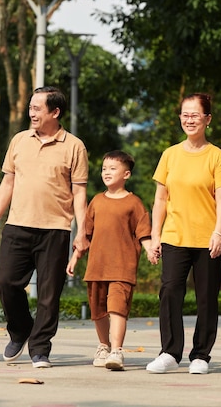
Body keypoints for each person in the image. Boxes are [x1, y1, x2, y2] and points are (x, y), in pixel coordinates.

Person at [0, 86, 89, 369]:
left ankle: (40, 348)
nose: (31, 113)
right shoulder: (19, 141)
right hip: (17, 225)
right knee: (5, 282)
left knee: (48, 293)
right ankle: (20, 330)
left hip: (56, 229)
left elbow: (79, 192)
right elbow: (8, 182)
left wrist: (82, 230)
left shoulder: (74, 146)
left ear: (55, 112)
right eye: (30, 107)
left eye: (37, 108)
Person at [145, 93, 221, 375]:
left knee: (207, 297)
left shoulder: (217, 157)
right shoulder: (169, 155)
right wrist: (155, 235)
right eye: (185, 114)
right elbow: (160, 199)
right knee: (170, 291)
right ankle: (170, 352)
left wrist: (219, 232)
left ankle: (201, 355)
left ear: (207, 119)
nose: (189, 119)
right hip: (174, 237)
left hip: (208, 240)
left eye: (195, 114)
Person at [66, 150, 154, 371]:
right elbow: (86, 234)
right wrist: (75, 257)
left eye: (112, 169)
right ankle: (103, 346)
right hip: (97, 268)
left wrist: (151, 250)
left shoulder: (134, 203)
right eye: (104, 168)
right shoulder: (96, 201)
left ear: (126, 174)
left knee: (117, 309)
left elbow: (144, 232)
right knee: (98, 312)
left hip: (123, 268)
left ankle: (116, 351)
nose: (107, 172)